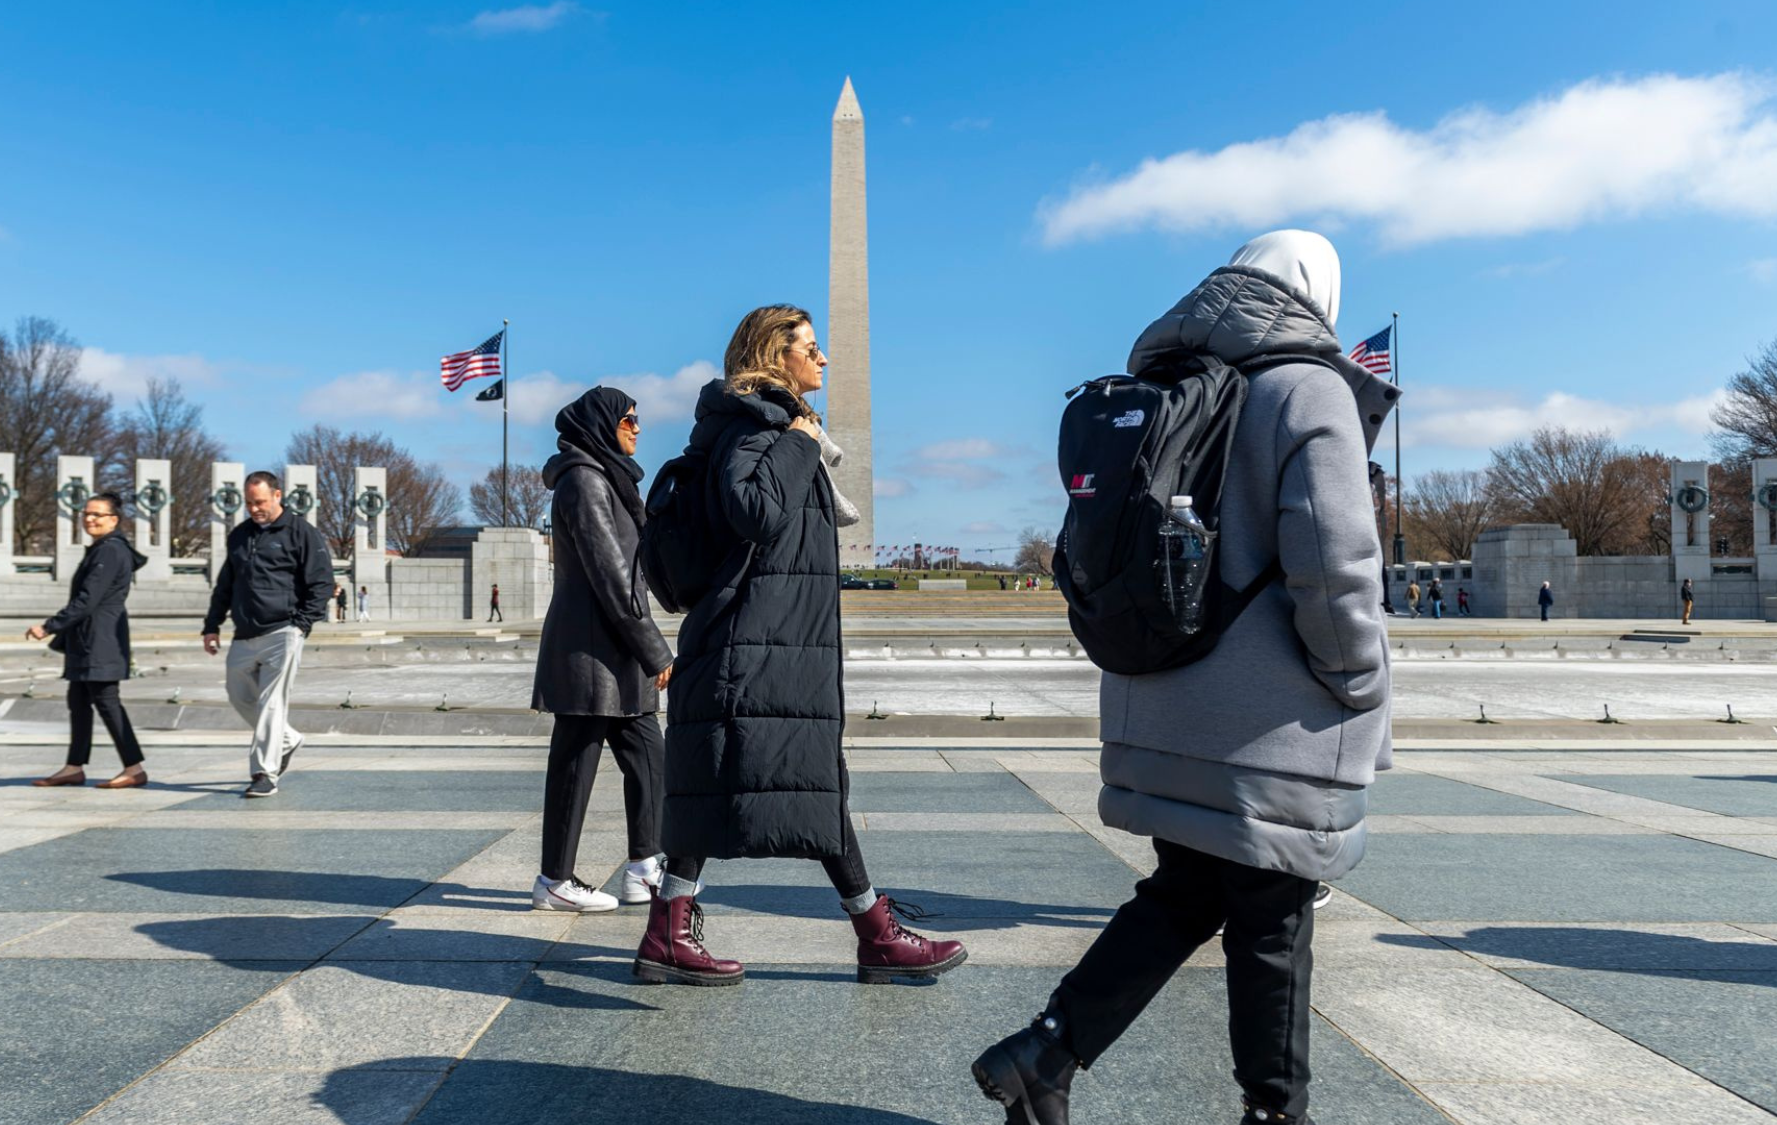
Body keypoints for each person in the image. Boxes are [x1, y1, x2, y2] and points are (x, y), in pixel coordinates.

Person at [974, 231, 1396, 1125]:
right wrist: (1358, 680)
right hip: (1269, 719)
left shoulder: (1160, 388)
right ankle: (1276, 1114)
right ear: (1319, 295)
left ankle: (1045, 1051)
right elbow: (1336, 564)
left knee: (1191, 891)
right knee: (1273, 912)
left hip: (1160, 696)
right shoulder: (1308, 388)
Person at [637, 304, 966, 988]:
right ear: (772, 354)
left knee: (772, 786)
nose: (824, 359)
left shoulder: (757, 423)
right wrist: (802, 439)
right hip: (755, 644)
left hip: (768, 639)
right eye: (810, 347)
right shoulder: (760, 426)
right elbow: (752, 507)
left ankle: (671, 928)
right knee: (802, 785)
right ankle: (876, 932)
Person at [530, 387, 676, 912]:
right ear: (603, 423)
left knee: (649, 759)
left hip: (615, 649)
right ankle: (554, 881)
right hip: (589, 651)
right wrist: (655, 650)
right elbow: (611, 576)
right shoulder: (583, 480)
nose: (638, 428)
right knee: (575, 764)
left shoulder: (608, 478)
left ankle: (643, 868)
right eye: (629, 419)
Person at [202, 470, 334, 798]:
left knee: (271, 702)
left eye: (259, 501)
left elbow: (322, 583)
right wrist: (211, 625)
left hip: (284, 630)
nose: (253, 508)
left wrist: (302, 624)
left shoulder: (302, 533)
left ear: (277, 495)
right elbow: (225, 585)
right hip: (245, 632)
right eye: (248, 503)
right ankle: (287, 740)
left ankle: (264, 773)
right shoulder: (240, 535)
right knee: (238, 694)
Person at [28, 493, 148, 789]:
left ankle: (133, 768)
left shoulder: (110, 551)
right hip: (88, 638)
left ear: (114, 520)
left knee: (107, 702)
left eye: (97, 515)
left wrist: (49, 626)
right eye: (86, 514)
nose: (90, 519)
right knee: (78, 701)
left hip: (101, 639)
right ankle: (73, 767)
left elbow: (87, 600)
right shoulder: (102, 549)